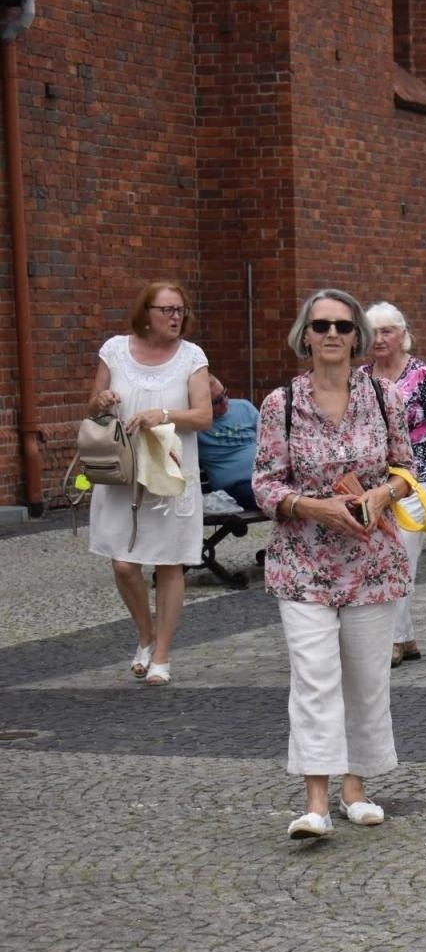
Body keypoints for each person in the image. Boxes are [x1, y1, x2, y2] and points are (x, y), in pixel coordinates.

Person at [252, 289, 416, 840]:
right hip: (302, 562)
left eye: (342, 326)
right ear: (305, 335)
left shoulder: (384, 396)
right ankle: (315, 802)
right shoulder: (281, 404)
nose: (331, 334)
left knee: (366, 679)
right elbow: (265, 486)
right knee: (314, 678)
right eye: (321, 325)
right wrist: (312, 506)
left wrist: (383, 495)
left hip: (372, 560)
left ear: (356, 337)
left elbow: (405, 467)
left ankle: (355, 788)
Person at [86, 280, 212, 686]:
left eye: (180, 310)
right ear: (146, 313)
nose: (176, 317)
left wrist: (163, 414)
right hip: (122, 472)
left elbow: (203, 416)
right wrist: (103, 400)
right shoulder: (114, 350)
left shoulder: (192, 356)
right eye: (167, 310)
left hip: (168, 473)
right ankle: (145, 634)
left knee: (169, 562)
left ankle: (161, 654)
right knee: (123, 563)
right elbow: (93, 405)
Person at [361, 302, 426, 668]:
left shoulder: (422, 375)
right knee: (379, 554)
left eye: (386, 331)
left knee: (401, 553)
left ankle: (392, 640)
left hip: (420, 475)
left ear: (402, 335)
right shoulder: (361, 377)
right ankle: (406, 638)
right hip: (376, 479)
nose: (379, 339)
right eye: (373, 332)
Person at [197, 375, 259, 511]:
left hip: (266, 477)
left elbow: (271, 440)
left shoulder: (244, 407)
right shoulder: (196, 426)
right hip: (235, 487)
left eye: (224, 393)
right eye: (217, 401)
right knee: (266, 495)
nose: (225, 401)